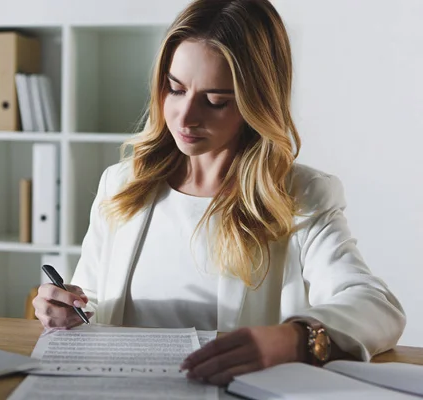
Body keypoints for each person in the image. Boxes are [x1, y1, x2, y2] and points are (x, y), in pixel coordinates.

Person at [32, 0, 406, 386]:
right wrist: (66, 308)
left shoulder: (300, 196)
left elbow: (377, 307)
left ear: (256, 103)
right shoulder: (122, 184)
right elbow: (91, 300)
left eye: (215, 101)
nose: (185, 116)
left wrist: (293, 338)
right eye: (175, 89)